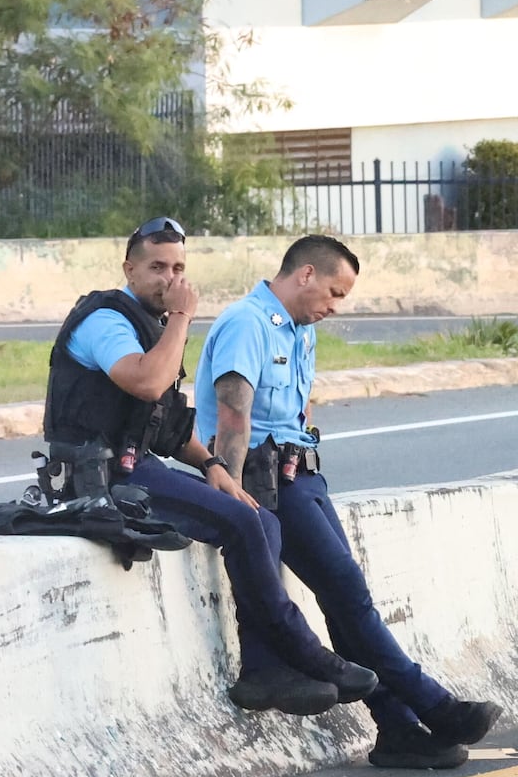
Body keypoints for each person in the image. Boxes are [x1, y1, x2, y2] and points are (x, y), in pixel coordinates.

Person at [37, 217, 378, 716]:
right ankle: (302, 651)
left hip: (132, 467)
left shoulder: (148, 324)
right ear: (129, 269)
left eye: (178, 267)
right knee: (242, 523)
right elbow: (147, 384)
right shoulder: (106, 320)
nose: (169, 278)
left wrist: (213, 464)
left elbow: (167, 420)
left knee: (257, 515)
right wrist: (180, 319)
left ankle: (262, 670)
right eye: (156, 267)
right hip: (95, 478)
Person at [196, 235, 503, 770]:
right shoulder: (247, 323)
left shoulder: (302, 330)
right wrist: (237, 497)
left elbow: (298, 404)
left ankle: (398, 729)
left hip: (300, 473)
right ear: (306, 274)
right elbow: (232, 417)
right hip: (263, 482)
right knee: (347, 591)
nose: (334, 306)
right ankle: (434, 705)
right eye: (334, 292)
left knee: (346, 600)